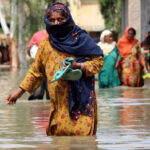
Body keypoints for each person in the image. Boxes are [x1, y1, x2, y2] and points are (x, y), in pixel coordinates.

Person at [6, 2, 104, 136]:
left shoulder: (80, 38)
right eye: (52, 20)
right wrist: (20, 91)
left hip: (82, 101)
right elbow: (36, 71)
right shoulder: (46, 44)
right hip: (59, 102)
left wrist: (80, 66)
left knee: (84, 140)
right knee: (59, 138)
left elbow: (98, 61)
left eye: (60, 19)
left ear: (67, 19)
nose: (56, 23)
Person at [27, 30, 50, 100]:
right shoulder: (37, 35)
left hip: (50, 68)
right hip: (39, 68)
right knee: (38, 93)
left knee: (50, 93)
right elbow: (29, 50)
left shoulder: (58, 35)